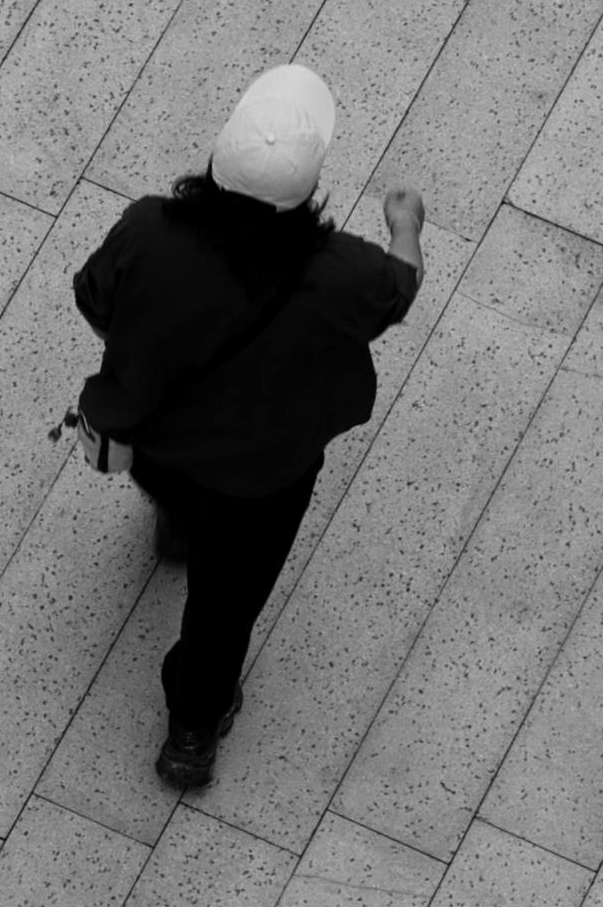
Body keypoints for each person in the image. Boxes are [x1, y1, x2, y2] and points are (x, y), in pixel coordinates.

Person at [68, 63, 425, 794]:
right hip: (263, 479)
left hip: (158, 444)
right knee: (223, 606)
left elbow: (94, 297)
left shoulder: (145, 228)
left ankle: (174, 526)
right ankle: (192, 727)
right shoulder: (344, 274)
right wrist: (404, 225)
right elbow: (400, 290)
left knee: (177, 492)